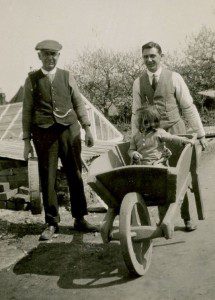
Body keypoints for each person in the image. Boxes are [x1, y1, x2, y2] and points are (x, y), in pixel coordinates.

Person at [22, 40, 98, 240]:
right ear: (39, 56)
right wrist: (26, 141)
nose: (50, 58)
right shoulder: (31, 79)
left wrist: (87, 128)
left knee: (75, 173)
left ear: (59, 56)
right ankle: (51, 222)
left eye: (54, 54)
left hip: (69, 130)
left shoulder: (67, 76)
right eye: (46, 54)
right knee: (48, 178)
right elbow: (27, 111)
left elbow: (78, 103)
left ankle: (80, 218)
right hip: (43, 133)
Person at [131, 41, 207, 231]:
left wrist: (200, 134)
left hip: (175, 131)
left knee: (178, 176)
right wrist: (136, 139)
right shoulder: (138, 83)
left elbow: (188, 107)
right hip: (151, 137)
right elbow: (135, 114)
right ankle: (165, 221)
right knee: (157, 177)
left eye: (153, 56)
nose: (149, 60)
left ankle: (187, 218)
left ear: (161, 56)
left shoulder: (174, 78)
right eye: (145, 56)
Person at [129, 106, 194, 166]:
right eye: (137, 120)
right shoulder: (135, 137)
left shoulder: (158, 133)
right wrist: (134, 153)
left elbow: (172, 138)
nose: (152, 124)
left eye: (155, 121)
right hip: (141, 164)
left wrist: (184, 140)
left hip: (157, 162)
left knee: (158, 170)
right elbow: (131, 150)